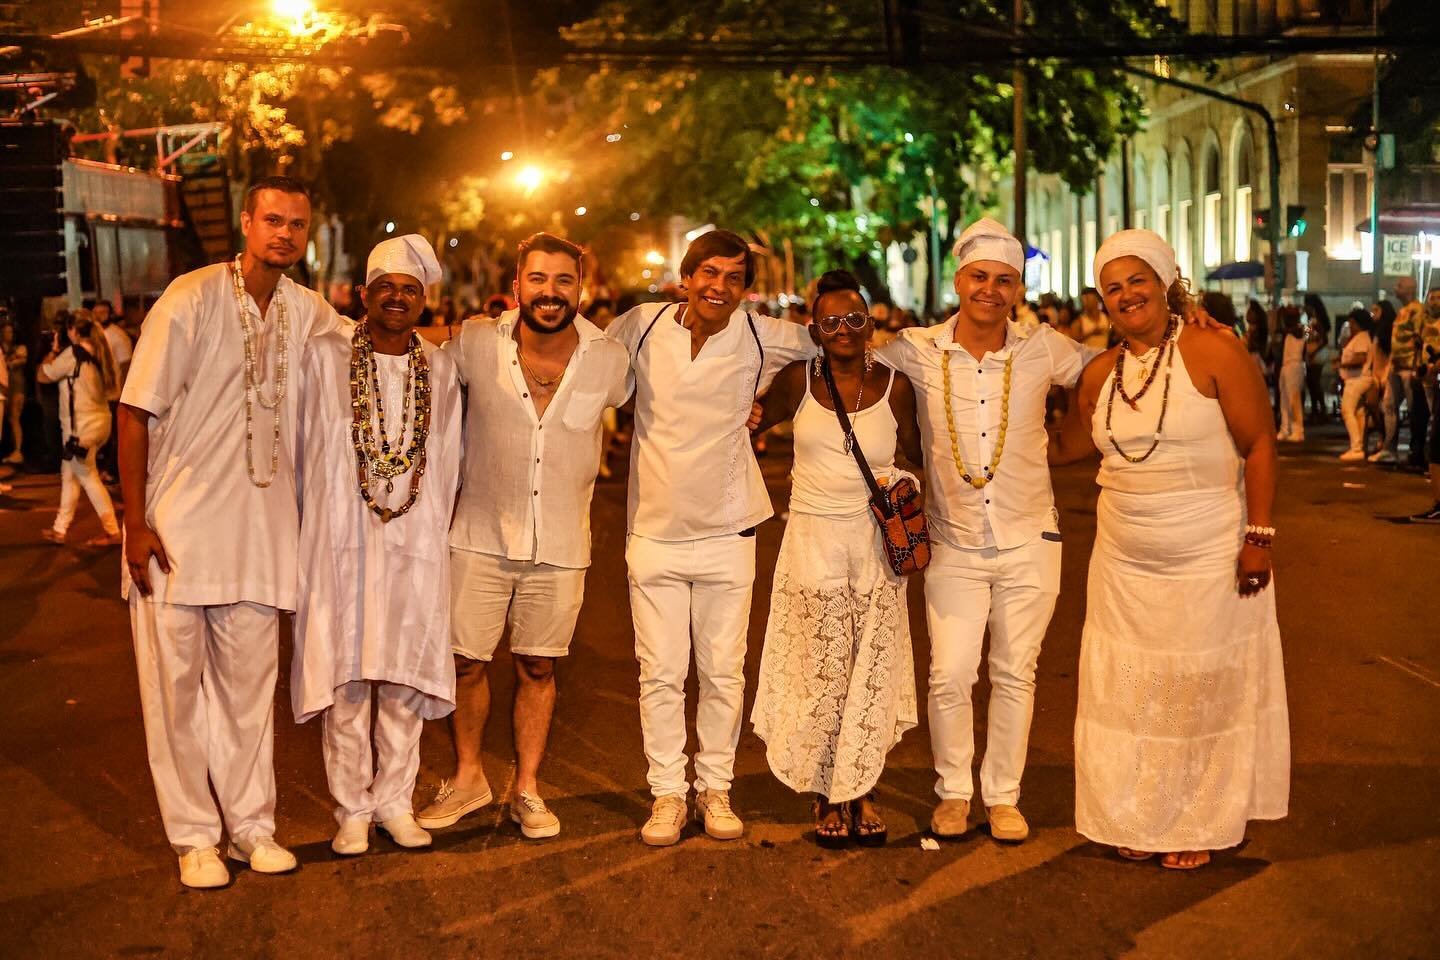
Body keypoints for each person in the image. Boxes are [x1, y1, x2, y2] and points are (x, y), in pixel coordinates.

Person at [118, 176, 341, 889]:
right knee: (175, 697)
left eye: (296, 225)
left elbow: (378, 348)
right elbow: (134, 411)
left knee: (249, 696)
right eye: (273, 219)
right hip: (177, 535)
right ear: (246, 223)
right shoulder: (190, 298)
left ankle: (251, 827)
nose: (284, 234)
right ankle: (195, 838)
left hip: (262, 544)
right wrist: (133, 521)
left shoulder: (308, 313)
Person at [1052, 229, 1289, 869]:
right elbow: (1063, 447)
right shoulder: (1101, 373)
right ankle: (1137, 815)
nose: (1127, 295)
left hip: (1208, 554)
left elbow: (1260, 443)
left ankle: (1197, 822)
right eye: (1112, 287)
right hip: (1123, 566)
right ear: (1102, 300)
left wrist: (1258, 538)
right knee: (1133, 694)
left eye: (1137, 280)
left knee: (1201, 689)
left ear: (1164, 283)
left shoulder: (1214, 350)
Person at [871, 218, 1088, 844]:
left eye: (1004, 280)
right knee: (950, 673)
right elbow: (842, 363)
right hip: (952, 540)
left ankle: (1004, 796)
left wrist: (1185, 327)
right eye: (978, 277)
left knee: (1017, 671)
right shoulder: (914, 348)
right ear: (959, 279)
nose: (990, 290)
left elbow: (1113, 367)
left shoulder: (1045, 347)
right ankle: (954, 793)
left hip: (1029, 538)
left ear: (1018, 288)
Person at [416, 233, 629, 840]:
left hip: (561, 542)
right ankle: (467, 779)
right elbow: (409, 352)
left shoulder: (609, 359)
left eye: (564, 281)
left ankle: (527, 789)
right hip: (478, 533)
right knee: (464, 662)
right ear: (517, 285)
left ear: (580, 288)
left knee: (538, 666)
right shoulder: (476, 343)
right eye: (538, 279)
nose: (550, 293)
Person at [606, 229, 813, 846]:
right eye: (709, 273)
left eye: (733, 278)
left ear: (746, 290)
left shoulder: (762, 335)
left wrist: (771, 406)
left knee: (724, 672)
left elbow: (835, 347)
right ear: (685, 276)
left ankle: (715, 788)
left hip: (729, 527)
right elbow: (579, 357)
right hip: (654, 529)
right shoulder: (640, 325)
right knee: (660, 672)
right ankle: (668, 793)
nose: (718, 287)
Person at [292, 235, 462, 856]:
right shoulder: (322, 355)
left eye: (409, 289)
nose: (397, 297)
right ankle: (352, 810)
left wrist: (435, 534)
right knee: (345, 676)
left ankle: (395, 800)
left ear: (422, 300)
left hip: (414, 537)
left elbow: (448, 458)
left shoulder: (439, 367)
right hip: (339, 536)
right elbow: (299, 447)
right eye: (386, 287)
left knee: (402, 673)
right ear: (364, 294)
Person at [749, 270, 924, 848]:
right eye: (831, 322)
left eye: (855, 318)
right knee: (821, 669)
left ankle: (864, 786)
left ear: (870, 321)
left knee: (865, 670)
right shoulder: (798, 380)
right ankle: (827, 791)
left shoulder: (896, 385)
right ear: (815, 330)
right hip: (811, 543)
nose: (844, 330)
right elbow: (740, 423)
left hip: (872, 546)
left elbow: (924, 456)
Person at [35, 310, 121, 545]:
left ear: (73, 330)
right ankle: (59, 529)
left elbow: (43, 375)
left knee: (88, 476)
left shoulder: (73, 354)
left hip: (80, 429)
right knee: (69, 475)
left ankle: (112, 530)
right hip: (100, 423)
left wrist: (53, 351)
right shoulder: (102, 350)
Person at [1393, 286, 1440, 468]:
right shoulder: (1424, 320)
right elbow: (1417, 345)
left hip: (1436, 374)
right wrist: (1415, 369)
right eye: (1432, 298)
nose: (1434, 302)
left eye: (1438, 298)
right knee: (1418, 417)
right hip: (1422, 374)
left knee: (1436, 419)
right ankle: (1417, 455)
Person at [1337, 310, 1375, 461]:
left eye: (1352, 322)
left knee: (1347, 411)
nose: (1350, 325)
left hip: (1357, 380)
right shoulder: (1360, 337)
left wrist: (1343, 364)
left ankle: (1356, 447)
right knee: (1358, 413)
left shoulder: (1361, 338)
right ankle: (1359, 447)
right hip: (1356, 379)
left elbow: (1360, 358)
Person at [1369, 300, 1399, 463]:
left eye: (1376, 310)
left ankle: (1387, 443)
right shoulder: (1376, 329)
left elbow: (1389, 355)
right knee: (1375, 405)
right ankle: (1382, 438)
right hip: (1376, 374)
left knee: (1386, 407)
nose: (1373, 313)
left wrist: (1385, 374)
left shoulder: (1388, 330)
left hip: (1385, 374)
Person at [1276, 308, 1306, 442]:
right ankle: (1285, 429)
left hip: (1294, 365)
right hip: (1287, 366)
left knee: (1294, 399)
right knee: (1285, 399)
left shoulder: (1296, 330)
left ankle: (1298, 430)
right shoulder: (1294, 331)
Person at [2, 320, 26, 464]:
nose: (7, 334)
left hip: (16, 386)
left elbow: (20, 360)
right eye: (5, 331)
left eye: (10, 331)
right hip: (5, 387)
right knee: (7, 419)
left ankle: (18, 450)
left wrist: (10, 361)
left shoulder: (20, 347)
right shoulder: (2, 348)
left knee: (15, 418)